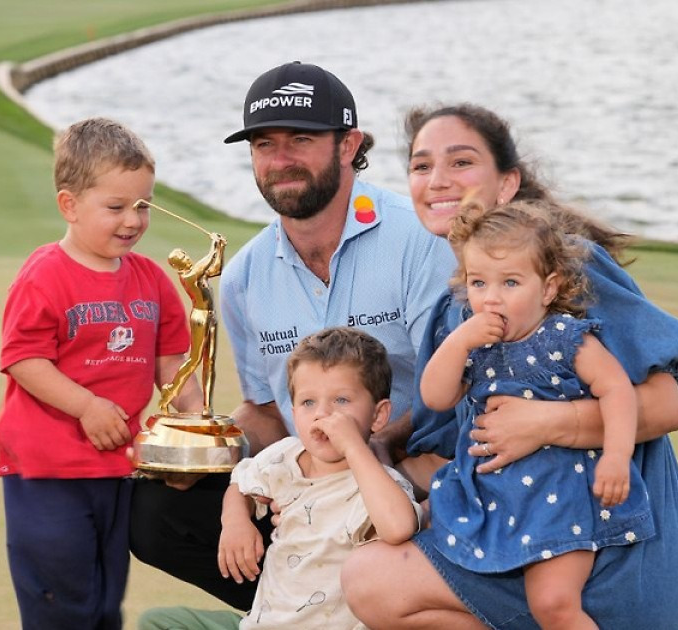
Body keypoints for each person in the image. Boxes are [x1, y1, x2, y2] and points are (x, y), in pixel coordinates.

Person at [342, 104, 678, 629]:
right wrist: (374, 447)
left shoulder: (567, 268)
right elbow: (446, 427)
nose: (438, 180)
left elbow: (666, 405)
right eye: (421, 167)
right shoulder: (458, 307)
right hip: (520, 530)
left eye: (461, 162)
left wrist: (543, 425)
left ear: (508, 183)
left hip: (614, 543)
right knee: (371, 581)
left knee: (381, 577)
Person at [129, 61, 455, 611]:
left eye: (300, 139)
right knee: (155, 511)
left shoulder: (419, 240)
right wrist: (204, 454)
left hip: (406, 471)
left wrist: (371, 452)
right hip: (307, 482)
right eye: (264, 143)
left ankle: (389, 603)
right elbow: (266, 411)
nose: (280, 160)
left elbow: (450, 389)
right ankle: (299, 607)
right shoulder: (245, 277)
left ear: (350, 144)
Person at [0, 117, 202, 629]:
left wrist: (196, 426)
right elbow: (23, 358)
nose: (133, 220)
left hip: (117, 468)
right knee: (61, 600)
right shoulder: (44, 274)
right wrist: (86, 405)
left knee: (105, 601)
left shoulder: (151, 279)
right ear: (70, 205)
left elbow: (172, 362)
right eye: (116, 207)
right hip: (47, 472)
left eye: (143, 205)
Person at [420, 199, 650, 629]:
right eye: (478, 283)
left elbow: (617, 390)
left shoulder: (562, 337)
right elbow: (435, 396)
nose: (491, 298)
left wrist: (617, 457)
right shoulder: (471, 339)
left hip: (556, 497)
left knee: (553, 603)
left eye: (510, 282)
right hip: (493, 498)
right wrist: (457, 343)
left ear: (547, 288)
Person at [137, 327, 423, 630]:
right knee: (158, 622)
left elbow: (399, 526)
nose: (322, 414)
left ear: (378, 416)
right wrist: (236, 522)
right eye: (308, 402)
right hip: (263, 623)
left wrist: (353, 446)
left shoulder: (377, 484)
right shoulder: (284, 455)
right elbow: (241, 483)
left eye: (341, 401)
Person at [158, 231, 226, 414]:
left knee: (209, 362)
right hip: (200, 317)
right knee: (194, 360)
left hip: (211, 316)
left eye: (185, 254)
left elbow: (216, 268)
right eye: (182, 257)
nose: (186, 257)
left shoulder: (197, 273)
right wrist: (214, 244)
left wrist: (221, 248)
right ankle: (170, 391)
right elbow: (205, 264)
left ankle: (206, 406)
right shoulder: (189, 277)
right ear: (177, 265)